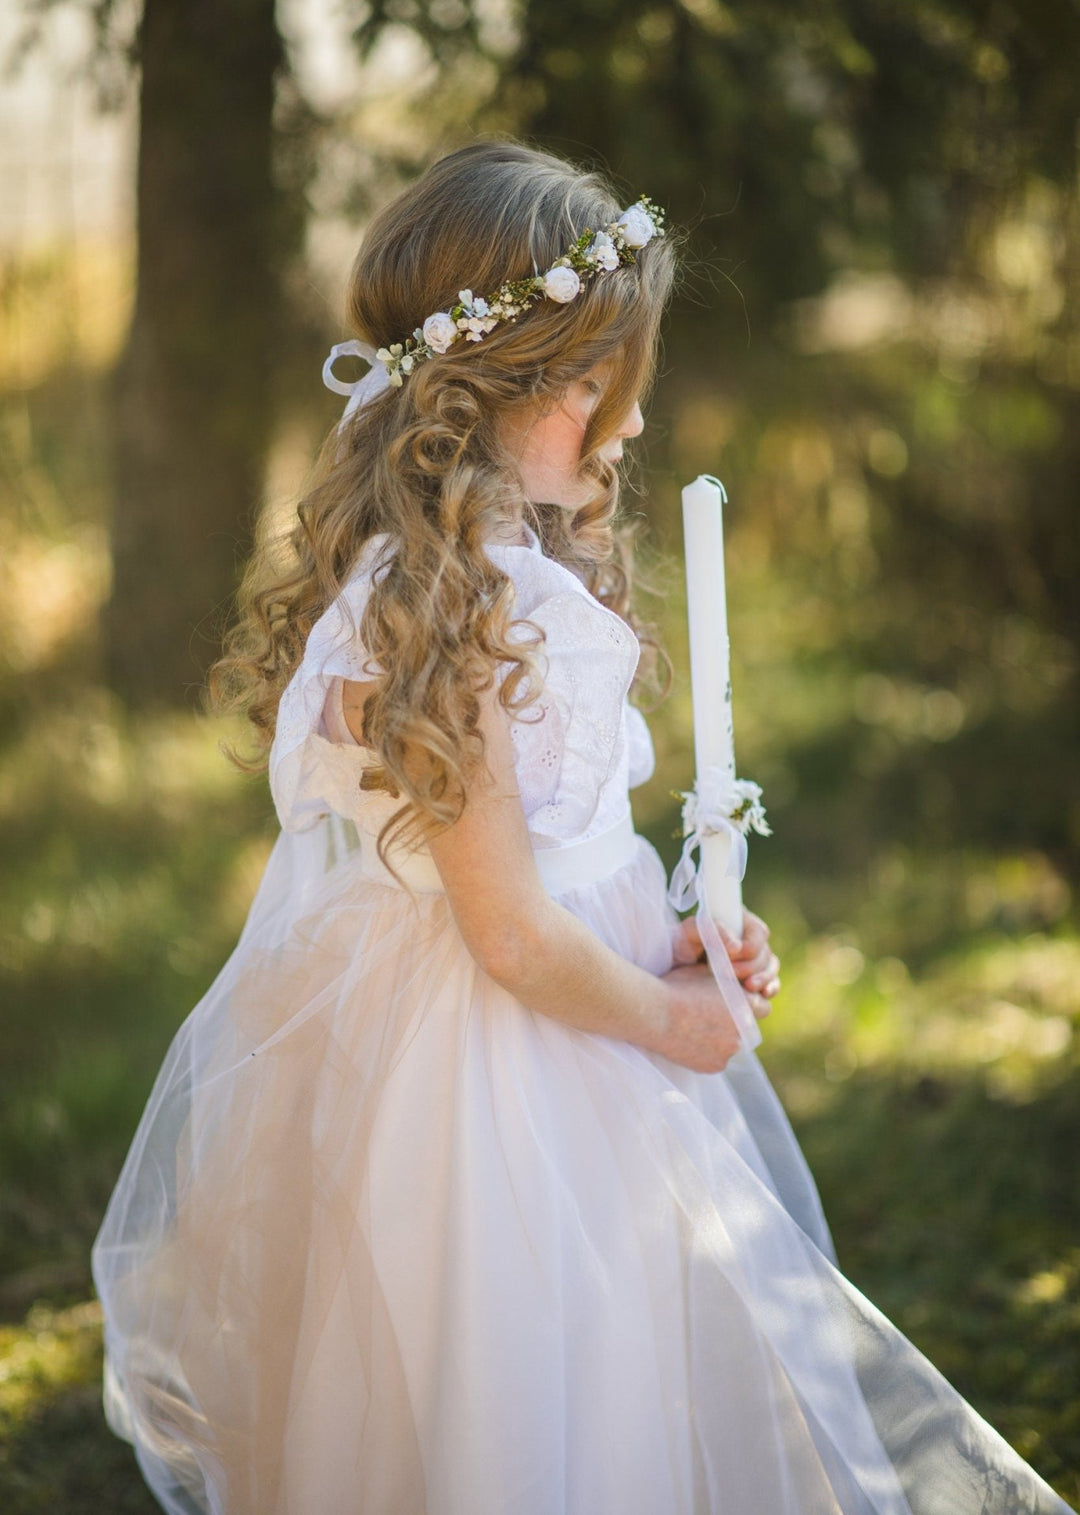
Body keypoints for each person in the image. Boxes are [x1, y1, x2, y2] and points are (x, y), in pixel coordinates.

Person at [90, 138, 1074, 1515]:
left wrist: (662, 928)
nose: (625, 423)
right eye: (611, 384)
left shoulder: (418, 574)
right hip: (511, 1086)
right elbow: (504, 930)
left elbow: (530, 863)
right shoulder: (468, 610)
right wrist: (675, 1024)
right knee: (540, 1401)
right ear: (540, 379)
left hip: (492, 1032)